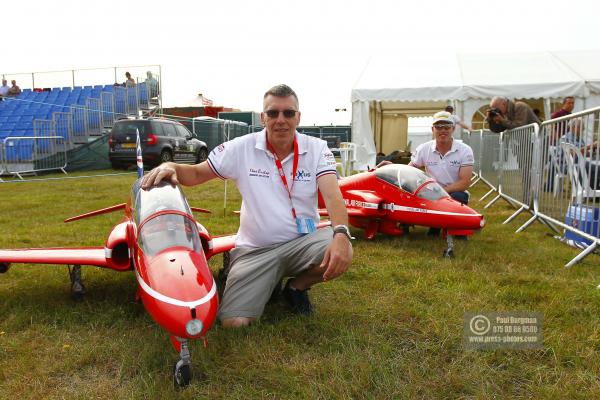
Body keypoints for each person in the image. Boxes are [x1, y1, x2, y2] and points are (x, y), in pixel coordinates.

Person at [141, 84, 353, 328]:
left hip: (302, 242)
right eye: (273, 113)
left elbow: (333, 194)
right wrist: (171, 167)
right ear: (263, 118)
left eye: (288, 113)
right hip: (255, 250)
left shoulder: (317, 148)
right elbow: (198, 174)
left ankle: (296, 287)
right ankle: (266, 282)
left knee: (339, 247)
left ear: (298, 117)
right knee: (235, 323)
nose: (281, 120)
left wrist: (341, 234)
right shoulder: (241, 147)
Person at [409, 111, 474, 235]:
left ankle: (455, 228)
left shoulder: (465, 150)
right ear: (432, 129)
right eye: (438, 127)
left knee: (459, 197)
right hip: (429, 192)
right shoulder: (424, 148)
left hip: (453, 192)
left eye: (446, 127)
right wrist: (392, 167)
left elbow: (464, 183)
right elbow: (409, 170)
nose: (442, 130)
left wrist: (440, 193)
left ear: (453, 129)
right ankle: (414, 225)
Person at [486, 96, 540, 205]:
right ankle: (527, 200)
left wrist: (503, 120)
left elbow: (520, 126)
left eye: (496, 108)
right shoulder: (505, 113)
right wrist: (491, 120)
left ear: (503, 104)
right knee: (525, 172)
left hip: (535, 143)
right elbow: (497, 129)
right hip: (523, 144)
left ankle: (532, 201)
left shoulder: (520, 107)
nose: (496, 111)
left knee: (532, 172)